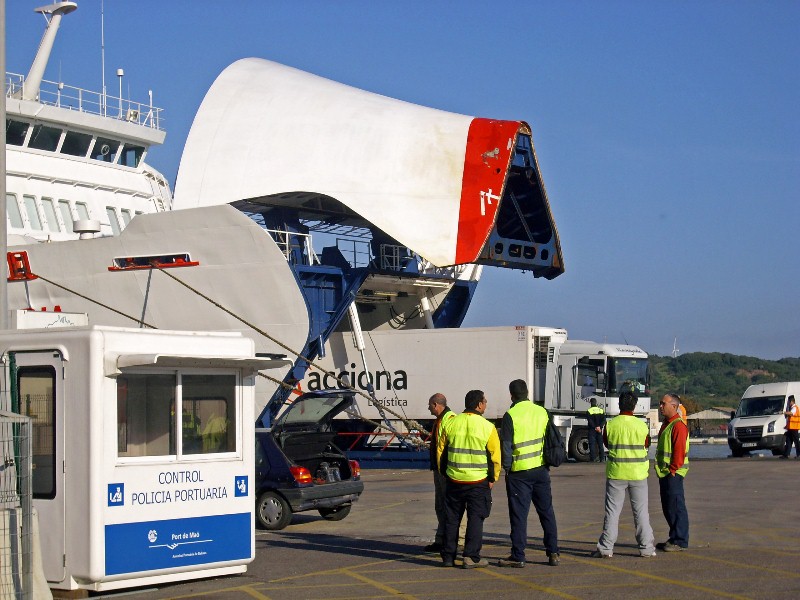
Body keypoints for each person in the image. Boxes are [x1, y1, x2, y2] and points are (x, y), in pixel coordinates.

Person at [498, 379, 560, 568]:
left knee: (519, 516)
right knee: (546, 512)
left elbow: (507, 447)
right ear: (527, 393)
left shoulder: (510, 415)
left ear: (511, 395)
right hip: (541, 470)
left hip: (519, 473)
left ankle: (518, 555)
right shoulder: (542, 411)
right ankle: (553, 553)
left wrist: (506, 469)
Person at [437, 389, 501, 569]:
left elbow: (441, 451)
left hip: (454, 480)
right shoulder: (487, 427)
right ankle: (471, 557)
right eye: (485, 401)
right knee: (475, 518)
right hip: (477, 482)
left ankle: (448, 557)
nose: (486, 404)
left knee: (452, 519)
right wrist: (493, 477)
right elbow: (495, 456)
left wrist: (445, 473)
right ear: (479, 404)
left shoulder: (451, 423)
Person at [591, 390, 656, 558]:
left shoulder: (611, 425)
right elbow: (646, 443)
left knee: (612, 512)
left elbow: (605, 442)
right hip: (638, 474)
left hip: (616, 473)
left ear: (619, 405)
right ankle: (646, 548)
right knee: (641, 512)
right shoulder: (642, 425)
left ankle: (606, 548)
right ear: (634, 406)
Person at [424, 393, 463, 552]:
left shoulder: (450, 419)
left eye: (429, 405)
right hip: (439, 470)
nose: (428, 408)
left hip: (446, 471)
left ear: (435, 405)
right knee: (440, 506)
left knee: (451, 506)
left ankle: (457, 541)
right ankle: (441, 539)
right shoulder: (439, 421)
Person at [655, 393, 690, 551]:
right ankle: (674, 536)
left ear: (674, 406)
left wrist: (673, 470)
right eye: (660, 403)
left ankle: (680, 540)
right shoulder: (667, 424)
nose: (661, 406)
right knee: (668, 507)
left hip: (672, 473)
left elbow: (679, 450)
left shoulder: (678, 425)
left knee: (676, 506)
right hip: (665, 473)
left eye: (664, 404)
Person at [587, 398, 606, 462]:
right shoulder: (601, 410)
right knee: (600, 444)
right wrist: (599, 427)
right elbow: (604, 420)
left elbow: (590, 421)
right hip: (599, 430)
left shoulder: (589, 411)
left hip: (592, 430)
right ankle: (602, 458)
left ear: (591, 403)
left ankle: (593, 458)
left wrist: (595, 427)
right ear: (596, 402)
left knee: (592, 444)